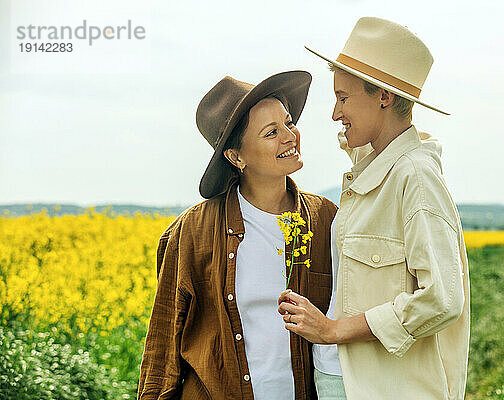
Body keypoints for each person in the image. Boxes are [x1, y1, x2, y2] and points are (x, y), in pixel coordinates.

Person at [278, 17, 471, 400]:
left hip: (382, 388)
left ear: (383, 96)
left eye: (343, 97)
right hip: (337, 376)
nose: (335, 113)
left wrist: (334, 330)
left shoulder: (414, 176)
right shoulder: (373, 168)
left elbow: (443, 299)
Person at [138, 71, 337, 400]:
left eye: (288, 123)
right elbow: (163, 347)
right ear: (236, 156)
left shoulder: (326, 219)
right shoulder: (192, 232)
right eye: (271, 132)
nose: (290, 137)